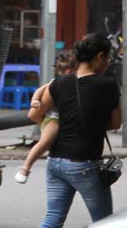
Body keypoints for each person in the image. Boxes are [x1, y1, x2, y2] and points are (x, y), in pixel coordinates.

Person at [30, 33, 122, 228]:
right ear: (100, 57)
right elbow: (115, 123)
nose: (108, 62)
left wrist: (58, 123)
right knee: (104, 222)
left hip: (55, 162)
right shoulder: (108, 85)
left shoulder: (58, 82)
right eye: (108, 58)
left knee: (52, 219)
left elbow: (35, 115)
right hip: (83, 163)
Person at [15, 51, 78, 184]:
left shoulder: (77, 83)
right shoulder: (56, 82)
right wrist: (35, 100)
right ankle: (25, 168)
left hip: (63, 119)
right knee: (44, 142)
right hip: (53, 118)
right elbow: (40, 90)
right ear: (69, 72)